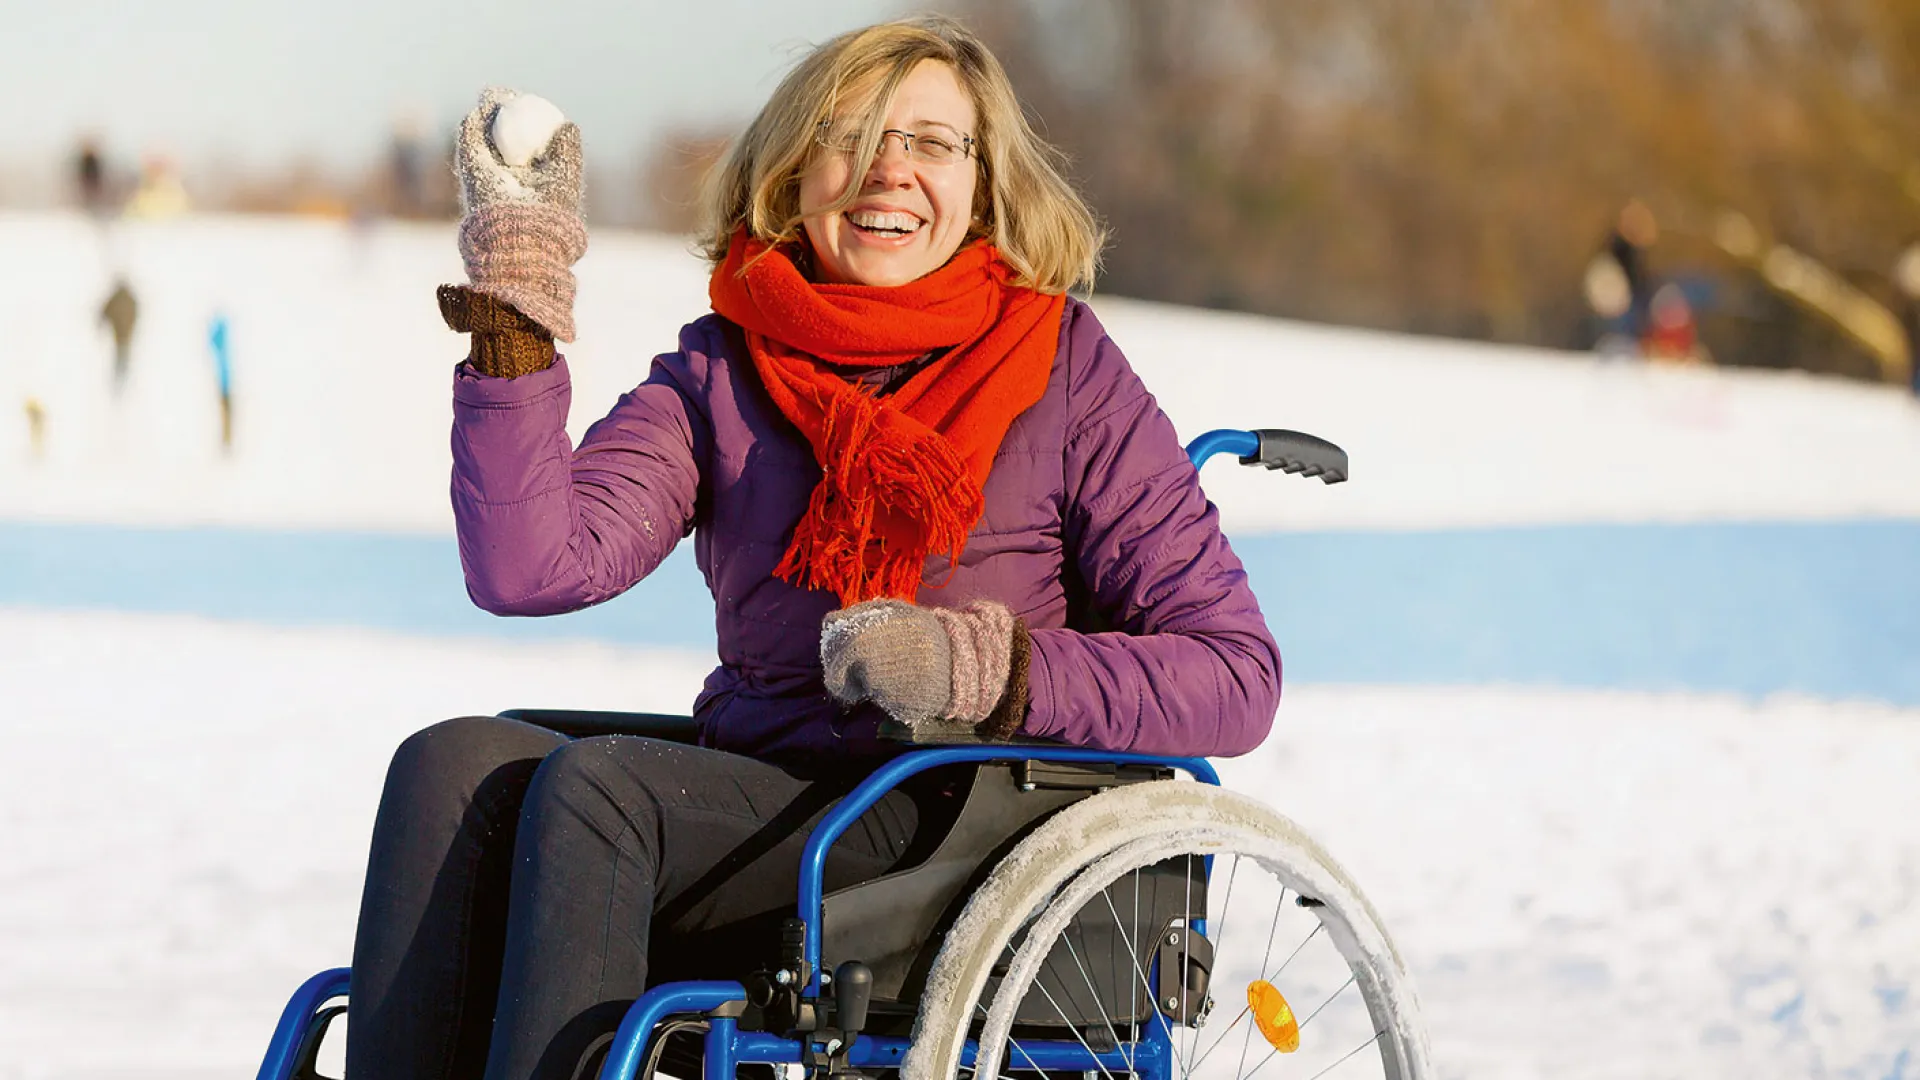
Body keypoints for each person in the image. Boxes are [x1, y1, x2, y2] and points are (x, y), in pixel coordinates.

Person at [344, 16, 1281, 1080]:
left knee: (595, 796)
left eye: (932, 142)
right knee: (452, 766)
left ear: (984, 181)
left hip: (957, 816)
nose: (891, 169)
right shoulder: (724, 368)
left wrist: (983, 667)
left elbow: (1234, 675)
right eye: (852, 134)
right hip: (758, 795)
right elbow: (531, 566)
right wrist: (516, 315)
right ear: (792, 170)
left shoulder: (1065, 369)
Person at [98, 278, 138, 395]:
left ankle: (122, 383)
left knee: (121, 357)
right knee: (122, 356)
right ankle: (121, 383)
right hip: (124, 336)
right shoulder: (129, 299)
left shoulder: (119, 299)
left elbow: (106, 311)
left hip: (122, 336)